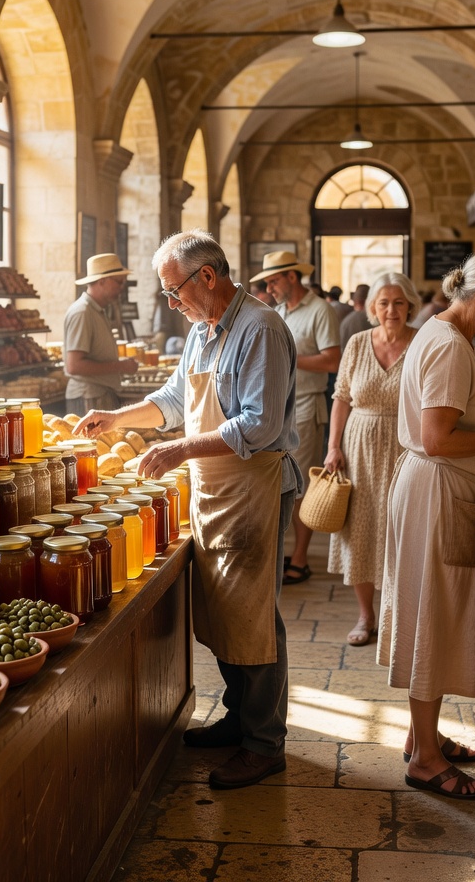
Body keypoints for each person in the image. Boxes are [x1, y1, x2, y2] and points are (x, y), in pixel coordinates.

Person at [74, 230, 299, 790]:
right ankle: (238, 717)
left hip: (254, 488)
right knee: (223, 611)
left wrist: (179, 448)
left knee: (254, 621)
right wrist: (117, 419)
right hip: (215, 489)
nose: (173, 305)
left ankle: (265, 743)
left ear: (207, 276)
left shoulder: (260, 328)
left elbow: (259, 424)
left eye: (175, 291)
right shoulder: (202, 331)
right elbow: (174, 401)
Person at [379, 249, 475, 800]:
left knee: (436, 614)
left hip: (436, 491)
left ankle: (420, 736)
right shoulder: (449, 344)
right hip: (437, 495)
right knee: (434, 616)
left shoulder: (442, 332)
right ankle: (424, 759)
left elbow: (451, 417)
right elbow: (437, 438)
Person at [324, 272, 421, 646]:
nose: (391, 310)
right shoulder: (357, 343)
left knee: (403, 531)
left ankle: (402, 617)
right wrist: (333, 447)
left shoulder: (421, 342)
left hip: (405, 448)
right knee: (360, 532)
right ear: (372, 307)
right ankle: (366, 616)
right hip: (359, 449)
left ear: (410, 305)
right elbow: (342, 397)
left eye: (398, 302)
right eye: (384, 302)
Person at [252, 250, 341, 584]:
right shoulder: (277, 311)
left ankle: (300, 559)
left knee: (301, 484)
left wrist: (287, 356)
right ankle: (288, 553)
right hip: (277, 408)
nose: (269, 287)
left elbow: (333, 361)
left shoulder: (321, 310)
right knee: (281, 484)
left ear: (292, 276)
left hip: (305, 405)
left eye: (273, 280)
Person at [63, 253, 140, 415]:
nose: (121, 288)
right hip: (88, 396)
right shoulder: (82, 312)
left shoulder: (96, 310)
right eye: (119, 282)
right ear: (102, 281)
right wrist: (121, 366)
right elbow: (74, 366)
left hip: (99, 393)